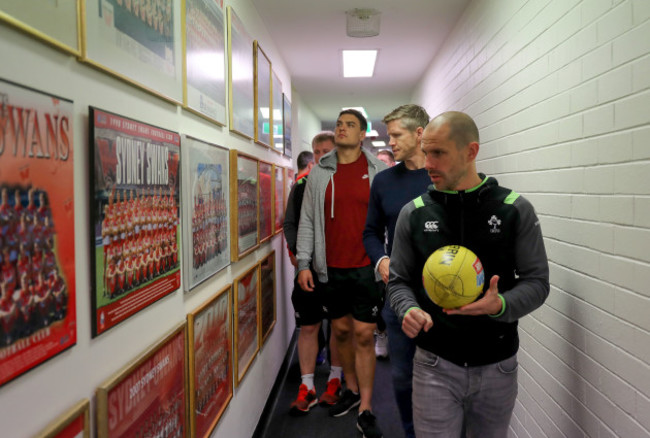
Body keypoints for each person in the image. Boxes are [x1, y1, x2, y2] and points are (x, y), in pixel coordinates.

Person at [387, 111, 550, 437]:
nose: (427, 162)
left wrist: (500, 305)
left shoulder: (514, 209)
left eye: (438, 153)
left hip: (497, 366)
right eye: (425, 150)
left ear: (470, 152)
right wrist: (409, 309)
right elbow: (398, 282)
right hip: (434, 364)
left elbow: (537, 282)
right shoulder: (413, 214)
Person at [297, 109, 387, 438]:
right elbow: (307, 221)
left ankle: (366, 406)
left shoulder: (377, 170)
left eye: (350, 125)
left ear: (362, 134)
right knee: (343, 332)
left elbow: (389, 219)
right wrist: (304, 263)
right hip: (331, 268)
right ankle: (350, 389)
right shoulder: (320, 173)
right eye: (339, 124)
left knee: (364, 334)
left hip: (367, 266)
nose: (342, 129)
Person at [362, 104, 431, 438]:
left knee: (441, 376)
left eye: (397, 135)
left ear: (420, 134)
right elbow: (370, 232)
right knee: (403, 376)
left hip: (443, 296)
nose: (391, 142)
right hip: (399, 295)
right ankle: (410, 432)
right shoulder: (385, 182)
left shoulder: (442, 176)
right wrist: (381, 260)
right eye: (389, 135)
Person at [283, 131, 343, 416]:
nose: (320, 156)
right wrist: (298, 258)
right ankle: (306, 387)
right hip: (308, 270)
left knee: (340, 328)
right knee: (309, 326)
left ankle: (335, 381)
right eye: (316, 151)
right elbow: (290, 223)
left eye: (326, 151)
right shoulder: (302, 185)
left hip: (341, 270)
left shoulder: (347, 183)